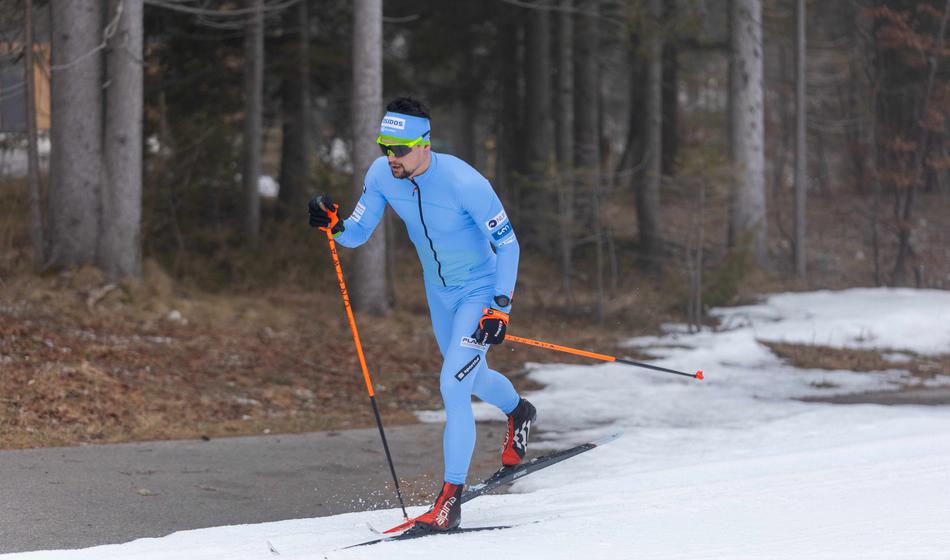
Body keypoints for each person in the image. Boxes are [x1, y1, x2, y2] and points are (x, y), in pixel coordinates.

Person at [308, 97, 536, 532]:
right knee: (471, 375)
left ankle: (449, 502)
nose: (390, 157)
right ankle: (519, 411)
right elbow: (355, 234)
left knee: (453, 383)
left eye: (399, 149)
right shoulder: (381, 175)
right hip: (440, 292)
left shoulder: (466, 183)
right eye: (384, 147)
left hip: (479, 289)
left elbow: (509, 245)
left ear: (424, 145)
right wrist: (334, 224)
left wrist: (499, 307)